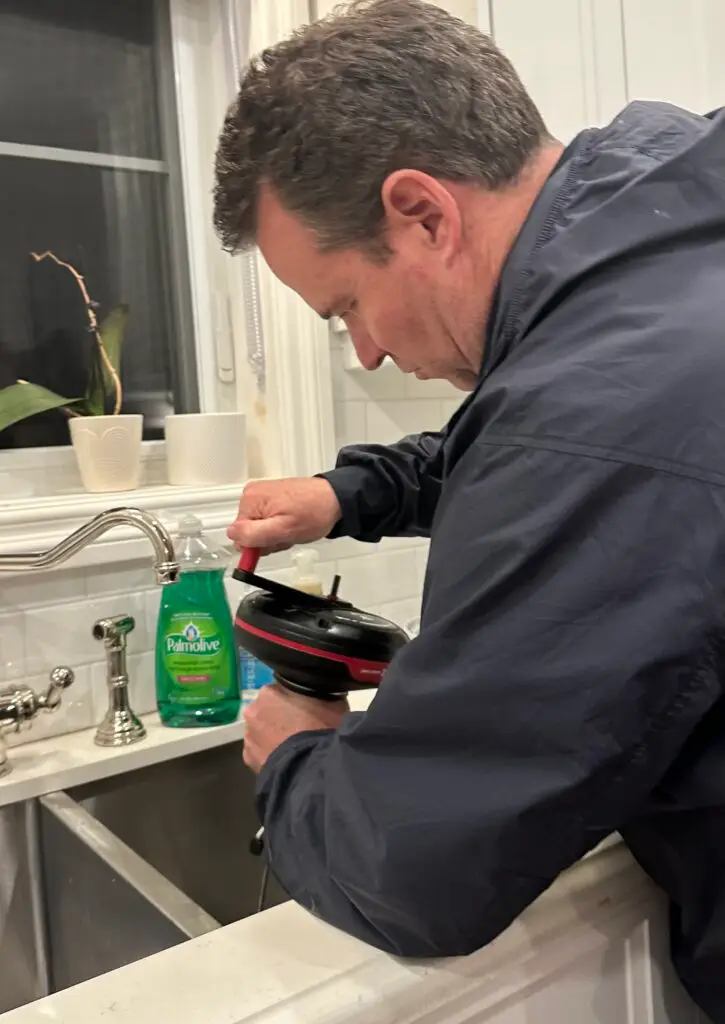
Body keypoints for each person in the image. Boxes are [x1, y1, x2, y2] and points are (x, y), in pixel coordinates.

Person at [213, 1, 725, 1018]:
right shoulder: (661, 208)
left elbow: (415, 867)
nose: (359, 350)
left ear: (421, 213)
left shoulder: (591, 410)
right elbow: (567, 432)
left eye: (345, 304)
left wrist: (296, 759)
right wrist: (350, 493)